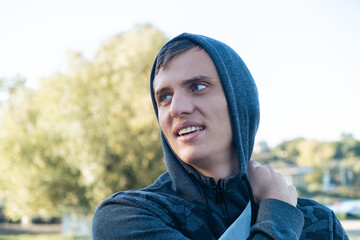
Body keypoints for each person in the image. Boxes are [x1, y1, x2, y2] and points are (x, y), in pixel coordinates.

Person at [92, 33, 348, 239]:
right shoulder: (128, 217)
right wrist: (278, 215)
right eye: (165, 97)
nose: (177, 108)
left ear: (239, 101)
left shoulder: (319, 223)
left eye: (198, 87)